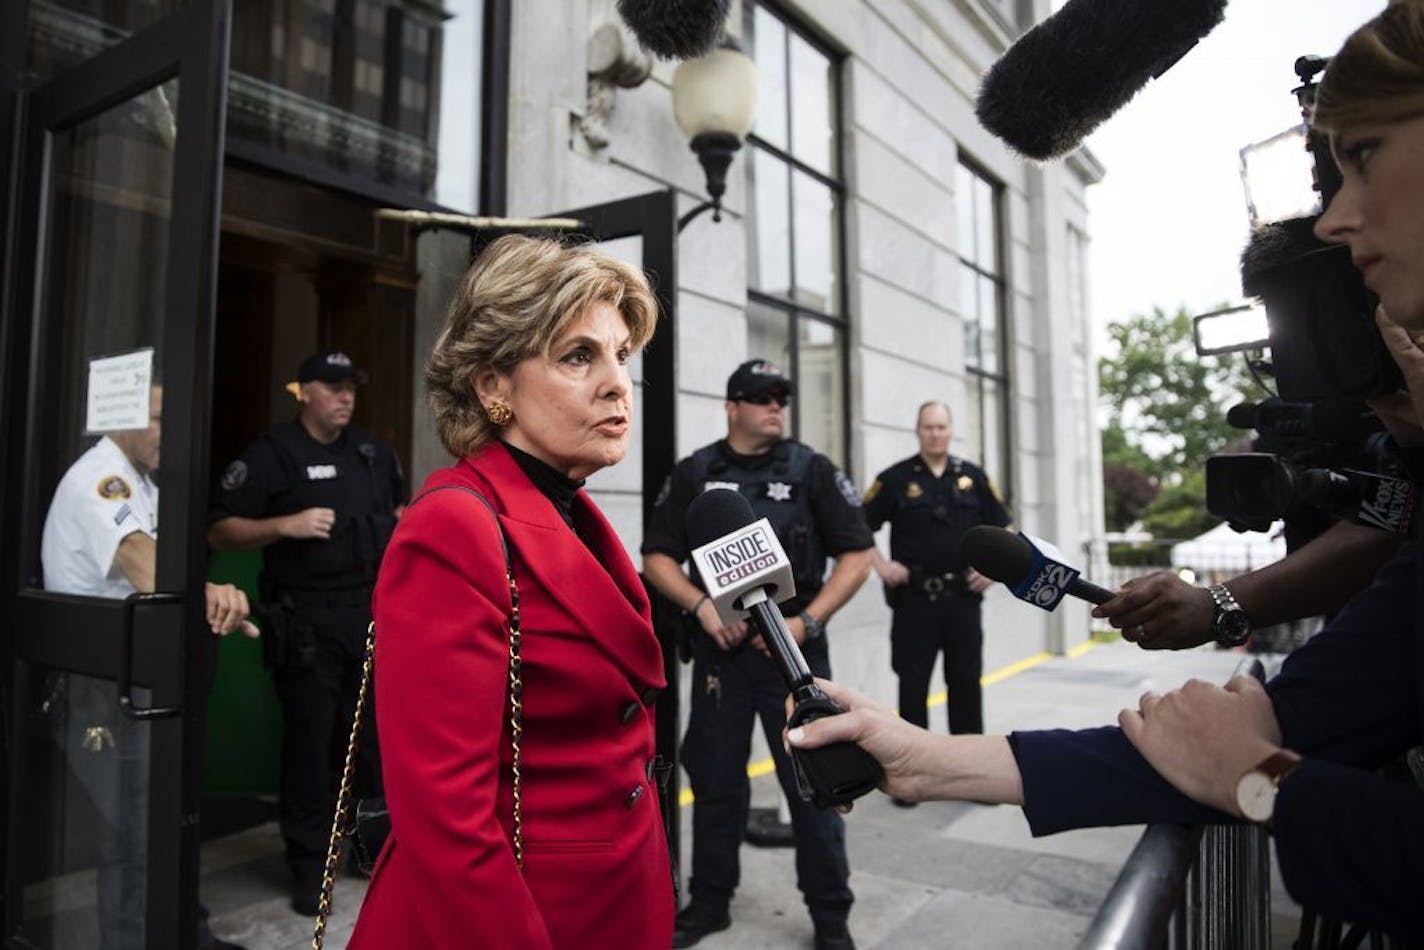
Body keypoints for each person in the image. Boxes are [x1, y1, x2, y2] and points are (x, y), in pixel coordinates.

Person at [789, 4, 1424, 936]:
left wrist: (1261, 786)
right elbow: (1277, 722)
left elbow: (1242, 761)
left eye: (1362, 153)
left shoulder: (968, 473)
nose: (1333, 218)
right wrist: (923, 758)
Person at [346, 235, 673, 948]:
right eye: (577, 356)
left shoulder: (570, 507)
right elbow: (446, 820)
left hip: (613, 900)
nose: (617, 381)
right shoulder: (453, 527)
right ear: (494, 385)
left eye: (622, 354)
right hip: (516, 918)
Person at [642, 358, 873, 950]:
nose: (776, 406)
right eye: (762, 396)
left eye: (782, 397)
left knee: (816, 787)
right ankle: (710, 902)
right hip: (724, 661)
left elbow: (857, 554)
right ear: (731, 406)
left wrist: (807, 620)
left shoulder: (811, 470)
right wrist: (701, 607)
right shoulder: (697, 472)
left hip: (794, 663)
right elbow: (658, 556)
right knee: (717, 784)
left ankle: (830, 918)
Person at [40, 383, 255, 950]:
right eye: (159, 418)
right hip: (102, 687)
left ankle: (188, 934)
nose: (170, 431)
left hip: (140, 676)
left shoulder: (141, 481)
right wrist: (210, 592)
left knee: (162, 820)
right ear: (120, 417)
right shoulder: (100, 480)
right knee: (131, 835)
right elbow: (143, 563)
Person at [207, 351, 405, 915]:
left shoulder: (372, 452)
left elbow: (398, 513)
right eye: (334, 386)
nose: (346, 397)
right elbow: (219, 528)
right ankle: (309, 867)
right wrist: (283, 525)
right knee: (312, 749)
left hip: (370, 619)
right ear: (305, 392)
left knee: (372, 746)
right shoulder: (274, 455)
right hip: (307, 626)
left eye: (351, 387)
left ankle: (373, 854)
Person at [862, 400, 1010, 757]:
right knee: (913, 687)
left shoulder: (973, 478)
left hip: (963, 599)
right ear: (918, 431)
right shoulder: (895, 479)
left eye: (941, 427)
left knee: (966, 684)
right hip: (915, 600)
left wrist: (993, 571)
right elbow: (856, 527)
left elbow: (1004, 528)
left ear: (951, 430)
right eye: (928, 427)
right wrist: (882, 567)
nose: (935, 434)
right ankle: (912, 767)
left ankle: (970, 766)